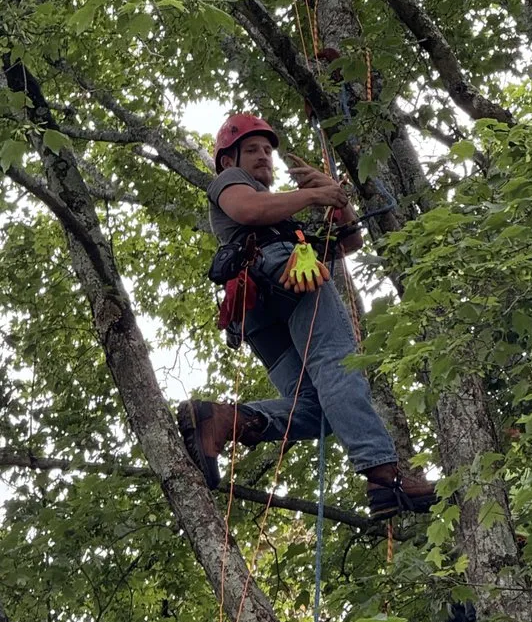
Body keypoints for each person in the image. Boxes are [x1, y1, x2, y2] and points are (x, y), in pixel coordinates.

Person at [177, 112, 436, 520]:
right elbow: (248, 210)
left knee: (315, 410)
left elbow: (346, 244)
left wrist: (338, 201)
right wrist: (317, 196)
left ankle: (226, 420)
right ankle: (384, 474)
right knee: (337, 365)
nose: (264, 156)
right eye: (252, 150)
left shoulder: (283, 215)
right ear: (229, 160)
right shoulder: (232, 184)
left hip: (262, 306)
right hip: (283, 275)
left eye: (268, 150)